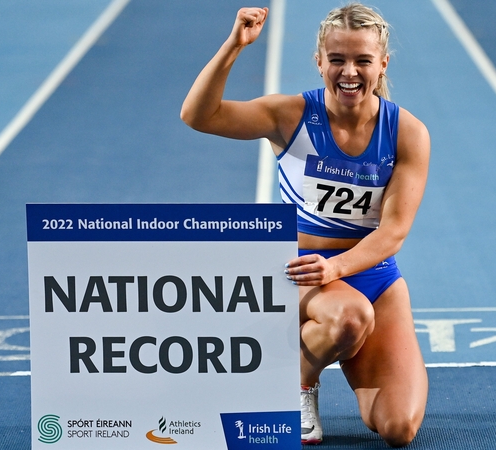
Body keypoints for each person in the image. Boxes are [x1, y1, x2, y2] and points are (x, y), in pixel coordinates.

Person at [180, 3, 429, 447]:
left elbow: (393, 232)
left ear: (382, 64)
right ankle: (298, 383)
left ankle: (305, 354)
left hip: (370, 274)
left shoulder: (406, 132)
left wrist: (339, 268)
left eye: (362, 61)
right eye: (337, 60)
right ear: (319, 62)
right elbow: (199, 116)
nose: (349, 72)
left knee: (398, 428)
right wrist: (234, 46)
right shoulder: (290, 115)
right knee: (351, 318)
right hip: (300, 270)